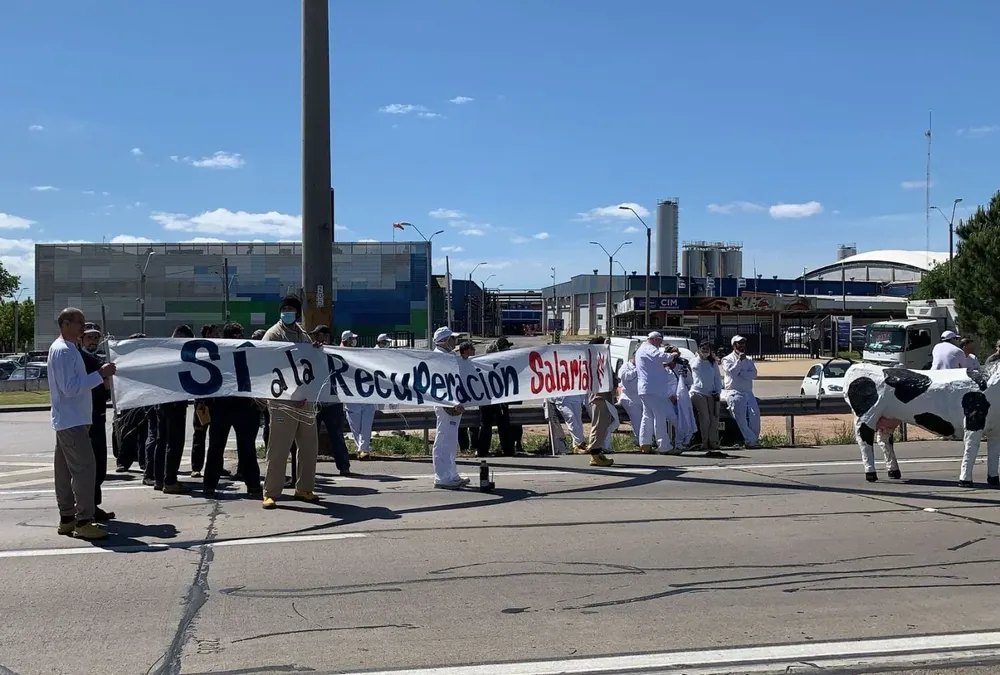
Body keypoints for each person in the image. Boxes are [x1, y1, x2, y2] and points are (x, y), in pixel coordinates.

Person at [48, 307, 117, 540]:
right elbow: (70, 388)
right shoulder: (64, 351)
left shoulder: (65, 349)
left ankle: (67, 518)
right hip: (73, 420)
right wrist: (100, 374)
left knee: (64, 471)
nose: (83, 327)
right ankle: (84, 520)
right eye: (80, 322)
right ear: (66, 323)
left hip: (69, 419)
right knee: (85, 469)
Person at [261, 295, 321, 508]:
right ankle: (270, 492)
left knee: (309, 447)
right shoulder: (273, 335)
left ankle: (304, 488)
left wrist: (315, 350)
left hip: (305, 399)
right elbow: (266, 366)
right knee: (279, 448)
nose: (287, 311)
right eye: (284, 308)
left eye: (291, 309)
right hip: (282, 400)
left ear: (297, 312)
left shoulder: (303, 334)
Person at [202, 322, 263, 498]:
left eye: (239, 334)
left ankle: (252, 484)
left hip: (243, 406)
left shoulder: (248, 352)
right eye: (235, 334)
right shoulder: (218, 352)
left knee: (246, 448)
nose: (238, 337)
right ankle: (209, 485)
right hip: (223, 406)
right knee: (216, 447)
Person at [147, 324, 195, 493]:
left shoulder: (162, 354)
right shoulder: (180, 356)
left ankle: (159, 479)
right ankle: (170, 481)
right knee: (174, 443)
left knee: (161, 442)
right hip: (175, 404)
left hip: (160, 403)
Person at [80, 323, 114, 520]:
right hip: (86, 417)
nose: (93, 341)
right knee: (89, 465)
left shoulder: (101, 359)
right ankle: (86, 507)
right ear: (81, 339)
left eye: (95, 338)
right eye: (89, 337)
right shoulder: (81, 359)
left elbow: (106, 388)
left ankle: (94, 504)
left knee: (100, 464)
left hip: (99, 415)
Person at [312, 325, 354, 476]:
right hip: (315, 401)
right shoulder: (311, 351)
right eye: (315, 336)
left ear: (327, 337)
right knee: (310, 437)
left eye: (319, 335)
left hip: (333, 402)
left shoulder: (337, 353)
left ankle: (344, 466)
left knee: (336, 436)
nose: (316, 339)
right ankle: (309, 468)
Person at [431, 327, 468, 489]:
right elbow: (438, 385)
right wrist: (449, 403)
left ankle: (451, 474)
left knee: (451, 440)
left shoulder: (449, 356)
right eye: (453, 339)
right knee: (443, 439)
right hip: (446, 404)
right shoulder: (437, 358)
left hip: (455, 403)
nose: (456, 342)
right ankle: (441, 476)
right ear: (445, 341)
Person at [635, 331, 680, 454]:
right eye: (659, 341)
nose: (660, 344)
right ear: (654, 339)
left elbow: (654, 363)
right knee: (659, 417)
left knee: (647, 416)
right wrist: (673, 355)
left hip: (646, 389)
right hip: (653, 389)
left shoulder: (641, 350)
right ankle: (664, 446)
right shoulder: (648, 348)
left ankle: (645, 443)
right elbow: (661, 357)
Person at [190, 324, 221, 478]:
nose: (218, 336)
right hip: (203, 400)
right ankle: (196, 467)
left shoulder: (220, 350)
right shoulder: (199, 351)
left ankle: (217, 466)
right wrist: (200, 399)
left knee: (217, 437)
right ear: (208, 333)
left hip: (217, 401)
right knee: (200, 434)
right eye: (215, 333)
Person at [477, 337, 516, 457]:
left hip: (493, 398)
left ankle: (485, 451)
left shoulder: (483, 363)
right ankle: (505, 450)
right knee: (493, 424)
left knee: (495, 425)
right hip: (493, 398)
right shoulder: (492, 364)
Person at [341, 329, 376, 461]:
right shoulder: (338, 353)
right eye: (351, 339)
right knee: (355, 426)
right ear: (346, 340)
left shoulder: (358, 353)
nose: (353, 341)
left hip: (365, 392)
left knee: (366, 423)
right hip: (350, 395)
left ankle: (363, 449)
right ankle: (362, 449)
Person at [721, 335, 760, 449]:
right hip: (734, 392)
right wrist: (739, 362)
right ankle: (750, 440)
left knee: (755, 415)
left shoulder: (749, 359)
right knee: (741, 418)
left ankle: (754, 439)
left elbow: (753, 374)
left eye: (743, 343)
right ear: (734, 346)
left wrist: (742, 373)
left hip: (748, 392)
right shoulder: (727, 359)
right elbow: (732, 372)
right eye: (739, 343)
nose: (742, 345)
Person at [584, 337, 615, 466]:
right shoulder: (595, 360)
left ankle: (598, 451)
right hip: (598, 397)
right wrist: (605, 348)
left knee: (603, 426)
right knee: (598, 425)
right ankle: (594, 453)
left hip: (604, 397)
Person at [689, 340, 723, 456]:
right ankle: (704, 441)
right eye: (702, 348)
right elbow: (695, 367)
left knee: (714, 417)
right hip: (698, 392)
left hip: (712, 393)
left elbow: (717, 379)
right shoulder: (694, 361)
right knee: (705, 417)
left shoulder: (713, 364)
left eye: (707, 349)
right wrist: (699, 356)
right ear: (699, 349)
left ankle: (713, 441)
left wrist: (718, 392)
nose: (705, 351)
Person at [671, 355, 697, 450]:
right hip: (669, 398)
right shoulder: (664, 369)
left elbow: (690, 382)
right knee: (674, 421)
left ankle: (680, 442)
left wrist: (685, 373)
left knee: (684, 419)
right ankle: (672, 442)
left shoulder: (681, 368)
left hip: (682, 398)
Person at [617, 356, 642, 446]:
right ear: (633, 357)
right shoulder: (625, 366)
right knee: (637, 420)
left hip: (641, 398)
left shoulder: (643, 366)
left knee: (645, 420)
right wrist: (636, 370)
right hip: (629, 398)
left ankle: (646, 439)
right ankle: (640, 440)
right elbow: (624, 376)